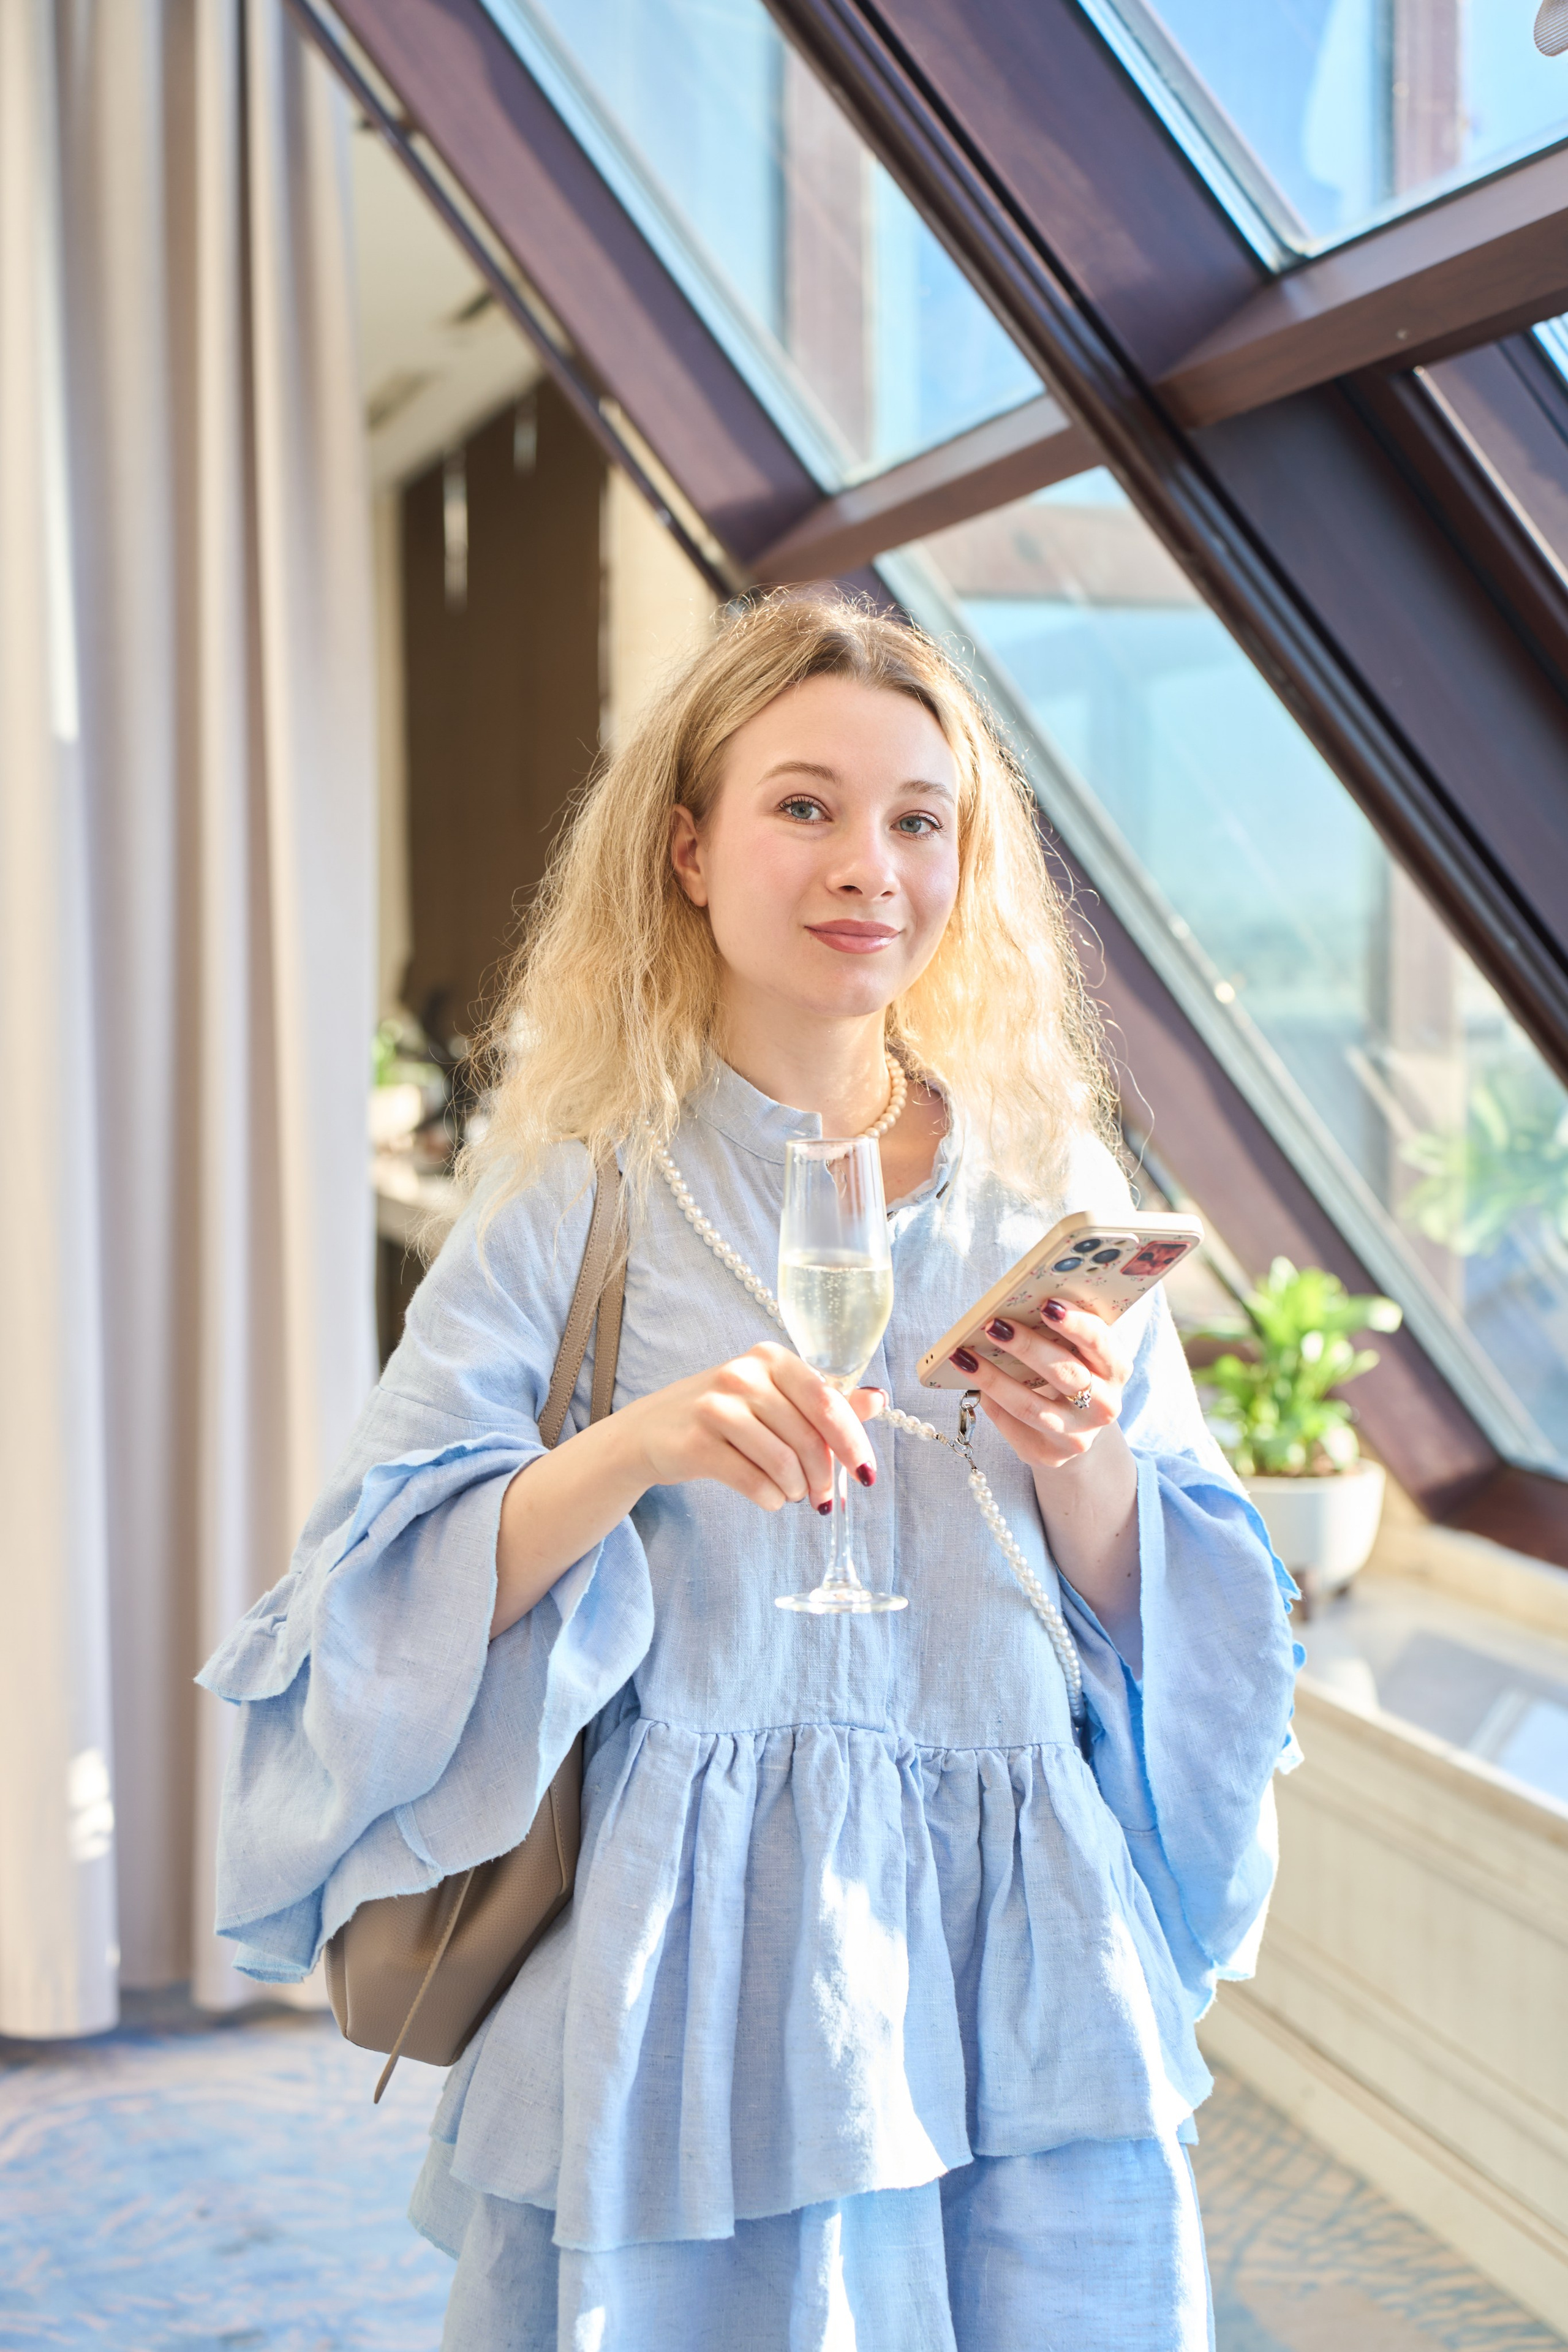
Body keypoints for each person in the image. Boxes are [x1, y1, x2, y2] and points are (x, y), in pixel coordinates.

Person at [200, 592, 1299, 2351]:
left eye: (919, 820)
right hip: (694, 1941)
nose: (871, 864)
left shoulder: (1048, 1185)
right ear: (691, 850)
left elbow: (1185, 1611)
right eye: (806, 806)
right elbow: (371, 1582)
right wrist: (636, 1448)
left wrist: (1085, 1459)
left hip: (1012, 1933)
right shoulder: (580, 1191)